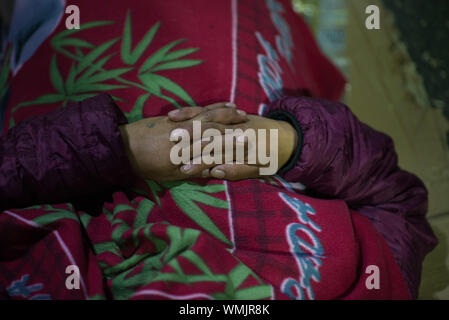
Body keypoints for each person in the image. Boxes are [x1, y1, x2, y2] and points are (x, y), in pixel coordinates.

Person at [0, 0, 437, 300]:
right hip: (249, 33)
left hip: (85, 45)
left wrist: (120, 146)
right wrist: (287, 143)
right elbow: (399, 201)